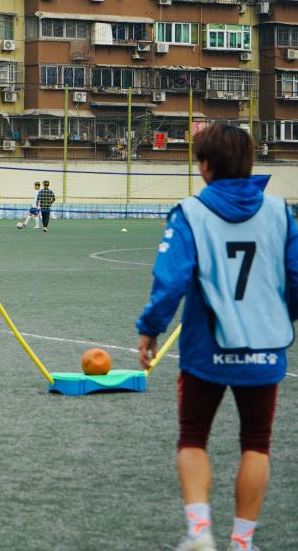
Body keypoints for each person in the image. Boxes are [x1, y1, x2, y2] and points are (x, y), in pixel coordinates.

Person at [136, 124, 298, 551]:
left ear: (205, 166)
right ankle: (242, 542)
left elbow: (170, 281)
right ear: (248, 163)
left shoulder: (190, 213)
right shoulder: (281, 213)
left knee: (193, 437)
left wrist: (150, 329)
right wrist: (279, 319)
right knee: (257, 443)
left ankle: (199, 532)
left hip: (206, 347)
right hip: (263, 347)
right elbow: (296, 279)